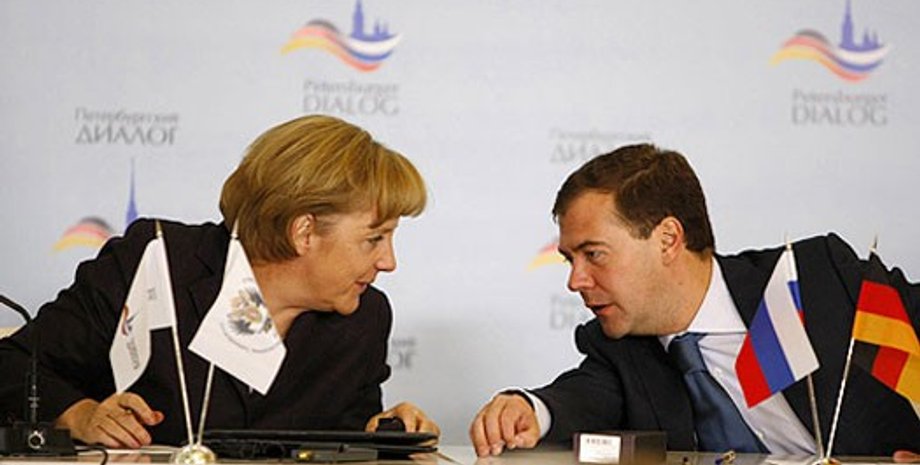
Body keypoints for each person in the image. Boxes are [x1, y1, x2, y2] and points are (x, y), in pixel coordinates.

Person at [0, 114, 439, 448]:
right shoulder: (155, 260)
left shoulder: (364, 317)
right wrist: (80, 415)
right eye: (374, 239)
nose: (389, 262)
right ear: (304, 232)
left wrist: (384, 434)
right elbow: (12, 364)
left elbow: (342, 443)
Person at [470, 144, 920, 458]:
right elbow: (579, 398)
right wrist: (529, 408)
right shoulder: (620, 348)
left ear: (668, 239)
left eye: (594, 254)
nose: (575, 281)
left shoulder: (818, 278)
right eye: (570, 259)